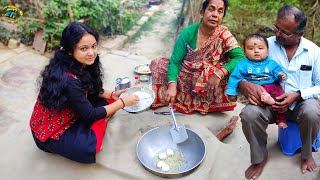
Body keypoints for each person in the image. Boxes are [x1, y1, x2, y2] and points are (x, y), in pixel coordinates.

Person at [29, 22, 140, 163]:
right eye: (84, 48)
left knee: (110, 101)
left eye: (94, 46)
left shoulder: (82, 63)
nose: (91, 52)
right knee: (88, 148)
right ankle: (99, 123)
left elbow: (90, 87)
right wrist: (123, 102)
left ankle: (100, 118)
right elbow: (89, 115)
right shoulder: (68, 80)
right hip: (51, 130)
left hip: (71, 109)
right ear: (70, 50)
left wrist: (112, 95)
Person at [238, 6, 320, 179]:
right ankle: (260, 157)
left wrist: (298, 94)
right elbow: (241, 71)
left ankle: (306, 154)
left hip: (300, 104)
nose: (277, 34)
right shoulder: (264, 45)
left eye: (285, 32)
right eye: (277, 28)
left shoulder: (314, 52)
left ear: (300, 34)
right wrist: (244, 85)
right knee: (248, 114)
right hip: (270, 104)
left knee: (312, 111)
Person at [150, 0, 245, 115]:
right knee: (157, 64)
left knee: (232, 74)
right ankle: (174, 94)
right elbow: (175, 61)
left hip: (210, 79)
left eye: (220, 11)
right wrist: (172, 85)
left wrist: (219, 74)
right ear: (202, 12)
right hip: (186, 74)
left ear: (222, 16)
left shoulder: (224, 34)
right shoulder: (188, 33)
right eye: (211, 9)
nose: (215, 14)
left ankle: (205, 103)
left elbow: (239, 58)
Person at [226, 34, 288, 128]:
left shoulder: (271, 63)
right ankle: (268, 101)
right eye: (251, 48)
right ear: (245, 52)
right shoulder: (242, 64)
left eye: (260, 48)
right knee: (257, 101)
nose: (256, 51)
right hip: (256, 90)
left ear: (267, 51)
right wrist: (231, 92)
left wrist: (280, 76)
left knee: (282, 100)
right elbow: (235, 78)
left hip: (272, 87)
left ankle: (280, 120)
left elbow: (277, 75)